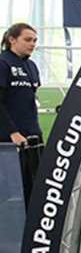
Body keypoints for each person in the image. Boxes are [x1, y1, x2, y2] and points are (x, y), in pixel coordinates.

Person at [0, 23, 42, 210]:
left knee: (33, 188)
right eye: (27, 39)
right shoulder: (3, 63)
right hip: (9, 140)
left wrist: (36, 131)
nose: (32, 44)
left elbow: (29, 100)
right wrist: (13, 132)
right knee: (8, 192)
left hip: (32, 137)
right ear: (12, 40)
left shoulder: (31, 66)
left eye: (34, 40)